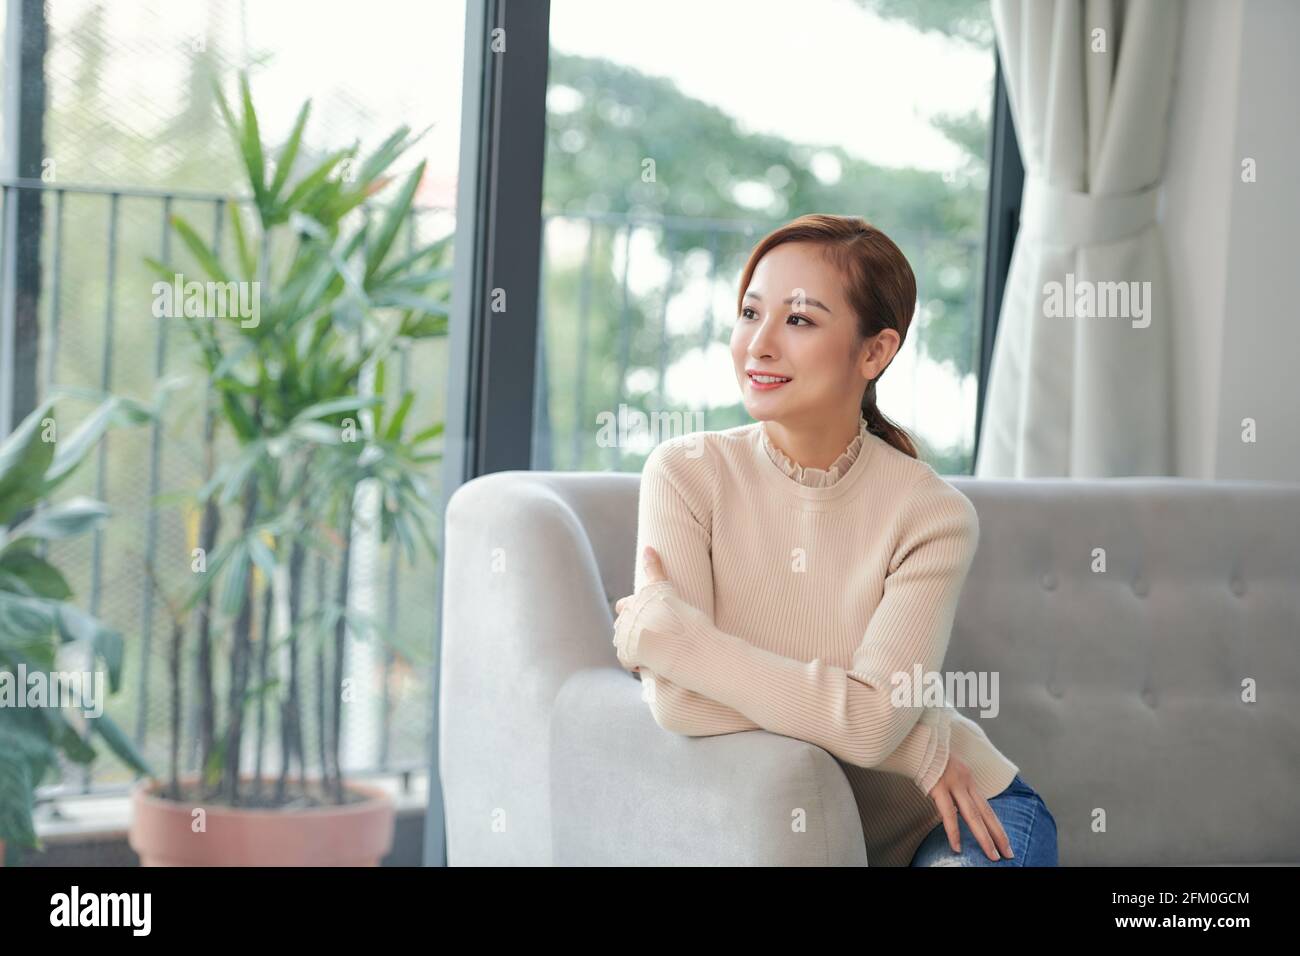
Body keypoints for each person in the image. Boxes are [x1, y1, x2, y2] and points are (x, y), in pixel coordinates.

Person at [612, 213, 1058, 866]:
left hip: (959, 814)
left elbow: (875, 719)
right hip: (870, 800)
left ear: (874, 352)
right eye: (749, 313)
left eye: (798, 320)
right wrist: (913, 743)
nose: (758, 345)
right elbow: (680, 703)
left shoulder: (932, 513)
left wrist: (683, 643)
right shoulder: (685, 474)